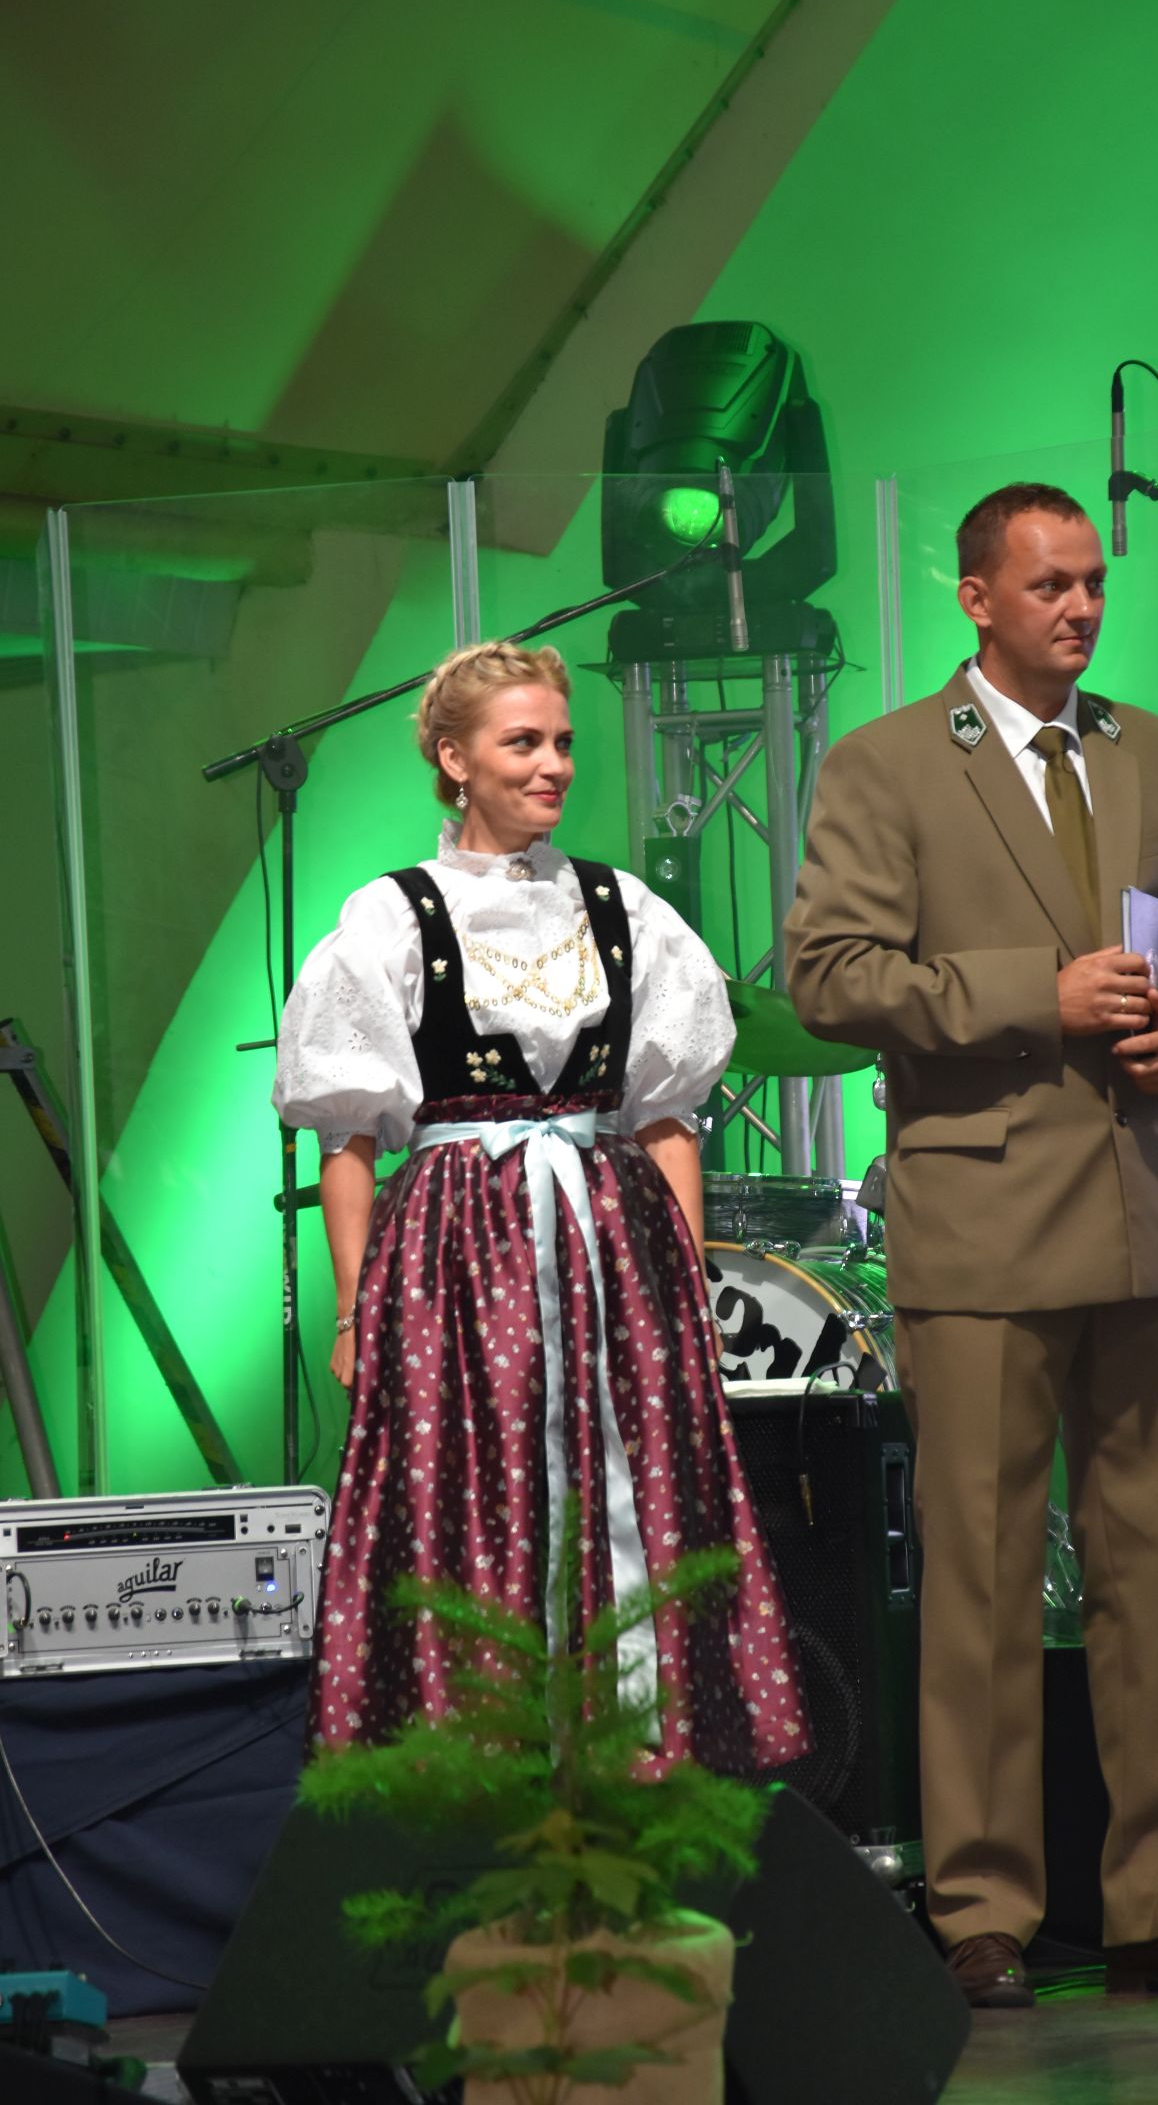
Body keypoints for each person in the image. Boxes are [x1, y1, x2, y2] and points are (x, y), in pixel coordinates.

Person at [785, 483, 1158, 2004]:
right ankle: (981, 1910)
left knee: (1156, 1581)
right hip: (984, 1230)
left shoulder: (1150, 751)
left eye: (1094, 584)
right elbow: (827, 974)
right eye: (1051, 584)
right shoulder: (884, 765)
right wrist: (1030, 997)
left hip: (1144, 1218)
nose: (1080, 608)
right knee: (985, 1585)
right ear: (977, 598)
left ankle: (1155, 1903)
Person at [274, 639, 806, 1771]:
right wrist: (356, 1310)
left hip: (612, 1242)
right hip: (458, 1253)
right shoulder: (392, 917)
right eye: (523, 742)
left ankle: (644, 1750)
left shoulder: (622, 907)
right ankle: (482, 1757)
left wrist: (688, 1287)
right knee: (472, 1485)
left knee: (635, 1482)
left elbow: (666, 1120)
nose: (554, 764)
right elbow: (348, 1138)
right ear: (453, 758)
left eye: (562, 741)